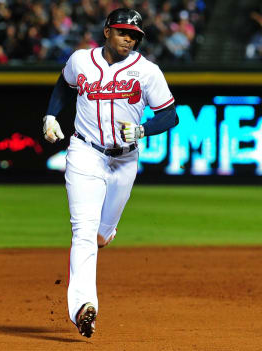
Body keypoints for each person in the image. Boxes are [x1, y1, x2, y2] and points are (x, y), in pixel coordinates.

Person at [42, 7, 178, 338]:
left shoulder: (147, 71)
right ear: (107, 32)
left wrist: (144, 129)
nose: (128, 39)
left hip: (125, 161)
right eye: (122, 32)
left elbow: (169, 116)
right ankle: (83, 308)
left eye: (134, 35)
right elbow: (64, 83)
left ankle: (107, 234)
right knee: (84, 232)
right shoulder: (81, 61)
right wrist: (50, 116)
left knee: (101, 234)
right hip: (84, 153)